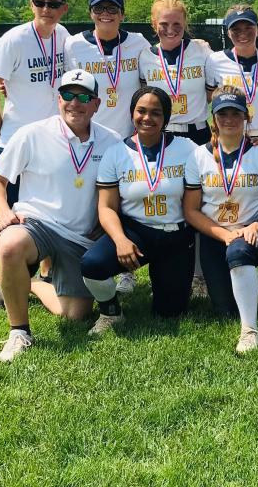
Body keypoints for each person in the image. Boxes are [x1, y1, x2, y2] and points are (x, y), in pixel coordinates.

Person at [0, 69, 120, 362]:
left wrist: (108, 223)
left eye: (84, 96)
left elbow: (122, 189)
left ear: (96, 104)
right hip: (37, 224)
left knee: (74, 314)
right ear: (58, 100)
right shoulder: (32, 134)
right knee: (9, 244)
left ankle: (30, 285)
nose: (75, 103)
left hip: (80, 237)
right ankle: (19, 333)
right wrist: (5, 213)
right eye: (68, 95)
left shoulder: (112, 141)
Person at [0, 0, 70, 321]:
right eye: (40, 2)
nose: (46, 9)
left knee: (48, 208)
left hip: (54, 140)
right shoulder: (14, 40)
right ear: (31, 5)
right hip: (17, 141)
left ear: (63, 8)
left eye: (53, 4)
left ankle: (43, 276)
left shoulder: (64, 38)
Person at [79, 86, 199, 334]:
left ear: (166, 117)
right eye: (141, 111)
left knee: (170, 312)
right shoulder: (116, 153)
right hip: (135, 232)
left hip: (174, 235)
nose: (147, 118)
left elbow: (219, 155)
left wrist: (252, 144)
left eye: (156, 113)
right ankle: (111, 312)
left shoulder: (187, 149)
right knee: (92, 264)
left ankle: (168, 284)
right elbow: (107, 206)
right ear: (132, 113)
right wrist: (120, 240)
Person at [65, 0, 152, 295]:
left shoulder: (139, 42)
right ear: (90, 13)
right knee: (90, 204)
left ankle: (126, 270)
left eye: (112, 9)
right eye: (100, 8)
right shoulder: (74, 45)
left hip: (129, 140)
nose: (106, 14)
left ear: (122, 14)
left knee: (126, 204)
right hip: (91, 138)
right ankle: (67, 264)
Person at [183, 88, 258, 353]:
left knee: (239, 251)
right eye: (222, 113)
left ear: (246, 118)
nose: (229, 119)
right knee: (225, 308)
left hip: (251, 235)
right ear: (213, 118)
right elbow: (191, 211)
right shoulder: (198, 156)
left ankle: (249, 330)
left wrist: (256, 226)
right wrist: (223, 234)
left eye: (236, 114)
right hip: (215, 236)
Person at [137, 0, 216, 145]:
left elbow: (212, 92)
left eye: (177, 24)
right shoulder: (145, 57)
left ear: (185, 23)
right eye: (164, 24)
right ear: (154, 24)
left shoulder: (201, 51)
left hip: (198, 134)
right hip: (160, 135)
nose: (170, 30)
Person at [208, 6, 258, 145]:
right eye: (235, 29)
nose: (242, 33)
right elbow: (207, 98)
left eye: (249, 27)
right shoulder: (214, 61)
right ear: (228, 33)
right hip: (230, 136)